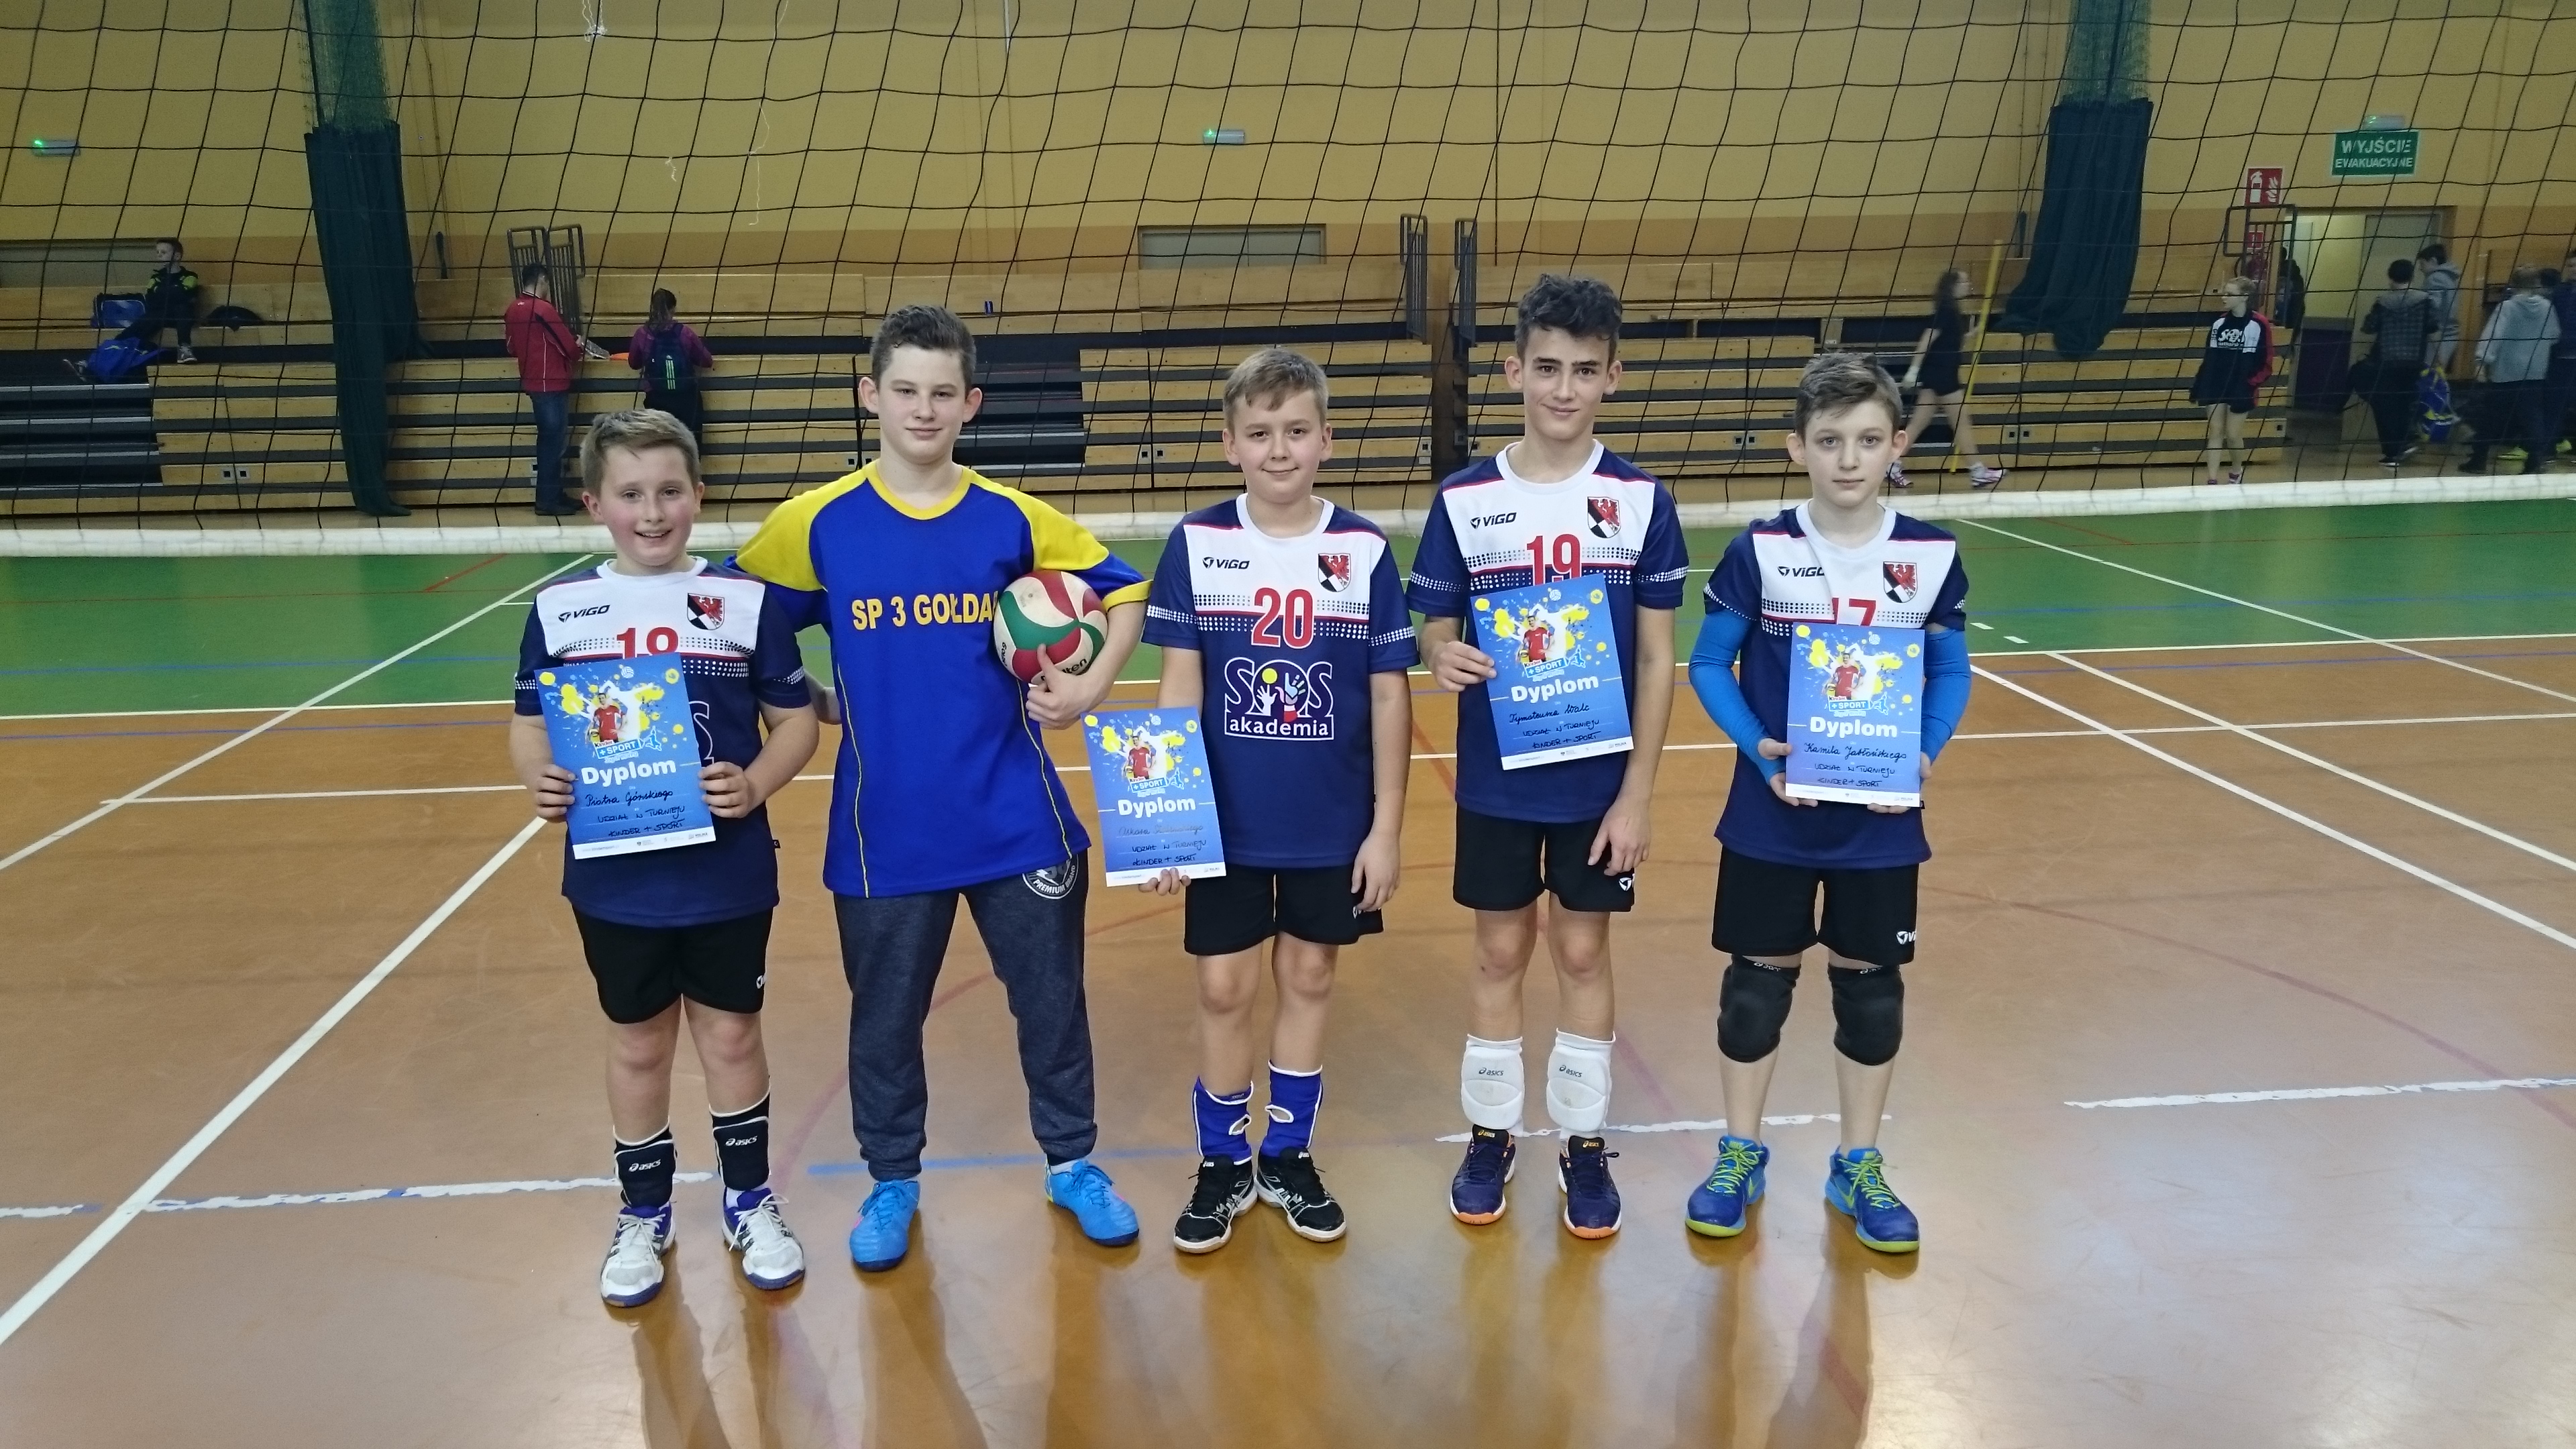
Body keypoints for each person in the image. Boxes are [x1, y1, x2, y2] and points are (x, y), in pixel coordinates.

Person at [731, 304, 1151, 1273]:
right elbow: (729, 617)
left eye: (942, 393)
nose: (923, 409)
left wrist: (1087, 687)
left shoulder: (1010, 517)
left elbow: (1124, 588)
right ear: (869, 396)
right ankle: (892, 1181)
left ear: (972, 403)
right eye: (905, 390)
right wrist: (800, 696)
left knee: (1052, 1006)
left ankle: (1073, 1163)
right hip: (886, 830)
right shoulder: (817, 523)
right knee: (884, 1022)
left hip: (1017, 818)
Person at [507, 408, 822, 1307]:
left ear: (698, 494)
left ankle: (749, 1200)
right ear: (594, 505)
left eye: (670, 491)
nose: (652, 512)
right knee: (640, 1043)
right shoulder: (561, 611)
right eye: (631, 494)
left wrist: (755, 783)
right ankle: (643, 1211)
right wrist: (542, 779)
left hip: (727, 871)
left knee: (731, 1034)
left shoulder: (742, 603)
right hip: (617, 877)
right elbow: (529, 723)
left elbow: (795, 720)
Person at [1407, 274, 1689, 1240]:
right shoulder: (1466, 498)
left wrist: (1637, 795)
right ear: (1513, 369)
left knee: (1580, 948)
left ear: (1613, 376)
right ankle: (1491, 1133)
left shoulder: (1640, 501)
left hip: (1598, 785)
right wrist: (1440, 651)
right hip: (1498, 776)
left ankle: (1583, 1140)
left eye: (1583, 370)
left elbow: (1656, 659)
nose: (1563, 388)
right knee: (1498, 950)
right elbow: (1434, 622)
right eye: (1547, 368)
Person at [1682, 352, 1973, 1254]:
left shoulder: (1929, 555)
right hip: (1773, 813)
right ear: (1797, 447)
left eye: (1869, 440)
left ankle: (1858, 1163)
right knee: (1752, 997)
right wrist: (1754, 746)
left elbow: (1951, 671)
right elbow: (1708, 663)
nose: (1850, 459)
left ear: (1898, 445)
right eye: (1831, 440)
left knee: (1871, 996)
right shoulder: (1761, 550)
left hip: (1879, 823)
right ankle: (1740, 1154)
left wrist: (1924, 750)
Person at [1140, 348, 1415, 1254]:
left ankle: (1287, 1156)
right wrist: (1167, 822)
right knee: (1224, 987)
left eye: (1297, 431)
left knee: (1309, 977)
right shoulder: (1197, 544)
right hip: (1223, 823)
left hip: (1330, 823)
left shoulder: (1362, 550)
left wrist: (1385, 828)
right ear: (1231, 445)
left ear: (1326, 439)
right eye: (1259, 433)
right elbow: (1178, 690)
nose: (1279, 449)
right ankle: (1223, 1162)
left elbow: (1388, 696)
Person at [1886, 268, 2004, 492]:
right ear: (1953, 286)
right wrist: (1913, 369)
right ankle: (1978, 472)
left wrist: (1973, 333)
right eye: (1964, 282)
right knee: (1961, 422)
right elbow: (1927, 340)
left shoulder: (1952, 311)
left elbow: (1950, 342)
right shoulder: (1946, 311)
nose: (1968, 285)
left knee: (1918, 424)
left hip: (1939, 373)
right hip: (1943, 375)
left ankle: (1891, 464)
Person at [504, 262, 589, 516]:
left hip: (533, 383)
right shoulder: (543, 309)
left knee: (548, 442)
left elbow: (510, 347)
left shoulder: (512, 309)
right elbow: (568, 348)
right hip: (551, 383)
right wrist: (578, 345)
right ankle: (548, 500)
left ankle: (553, 495)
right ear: (542, 280)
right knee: (553, 443)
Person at [2464, 266, 2561, 475]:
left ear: (2513, 284)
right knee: (2533, 419)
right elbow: (2554, 335)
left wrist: (2482, 362)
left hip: (2506, 373)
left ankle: (2478, 460)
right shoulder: (2547, 307)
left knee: (2490, 418)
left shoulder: (2507, 307)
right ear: (2537, 283)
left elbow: (2494, 335)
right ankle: (2535, 462)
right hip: (2535, 373)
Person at [2358, 258, 2438, 467]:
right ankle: (2405, 441)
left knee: (2385, 407)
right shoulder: (2425, 300)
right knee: (2406, 403)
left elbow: (2369, 327)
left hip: (2386, 361)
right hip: (2413, 361)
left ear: (2390, 277)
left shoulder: (2382, 302)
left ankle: (2392, 451)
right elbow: (2432, 325)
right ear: (2412, 276)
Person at [2191, 277, 2267, 485]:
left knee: (2233, 435)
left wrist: (2250, 383)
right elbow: (2209, 357)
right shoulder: (2218, 324)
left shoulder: (2258, 324)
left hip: (2241, 387)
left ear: (2244, 297)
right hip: (2216, 384)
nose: (2224, 298)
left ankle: (2236, 471)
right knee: (2215, 431)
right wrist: (2201, 383)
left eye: (2230, 294)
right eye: (2224, 293)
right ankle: (2212, 480)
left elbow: (2267, 361)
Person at [629, 289, 715, 453]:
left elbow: (634, 363)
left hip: (657, 400)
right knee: (690, 447)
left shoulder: (642, 334)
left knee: (661, 447)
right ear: (673, 309)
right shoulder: (685, 333)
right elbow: (706, 361)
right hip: (687, 399)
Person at [2546, 259, 2576, 462]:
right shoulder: (2559, 293)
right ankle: (2549, 448)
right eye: (2571, 265)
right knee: (2553, 405)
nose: (2573, 269)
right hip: (2559, 358)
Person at [2417, 244, 2463, 372]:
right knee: (2437, 372)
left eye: (2422, 264)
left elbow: (2432, 306)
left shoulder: (2435, 278)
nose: (2420, 268)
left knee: (2430, 373)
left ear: (2433, 261)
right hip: (2450, 333)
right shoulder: (2449, 277)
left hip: (2438, 335)